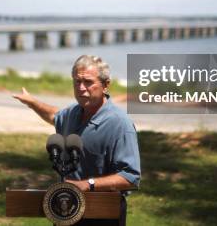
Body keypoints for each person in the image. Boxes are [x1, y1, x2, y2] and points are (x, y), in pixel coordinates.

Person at [13, 55, 141, 225]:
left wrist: (88, 184)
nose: (81, 88)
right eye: (76, 82)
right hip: (65, 211)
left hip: (103, 215)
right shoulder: (73, 113)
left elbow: (130, 177)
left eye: (88, 82)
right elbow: (54, 116)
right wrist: (32, 102)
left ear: (105, 85)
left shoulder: (119, 124)